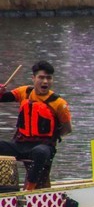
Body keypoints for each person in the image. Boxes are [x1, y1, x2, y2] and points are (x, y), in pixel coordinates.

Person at [0, 61, 73, 190]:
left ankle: (29, 191)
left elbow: (67, 129)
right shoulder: (24, 92)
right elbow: (3, 98)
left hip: (43, 147)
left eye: (48, 78)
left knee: (40, 152)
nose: (45, 81)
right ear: (33, 78)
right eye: (41, 77)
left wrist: (51, 138)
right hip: (20, 144)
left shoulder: (59, 103)